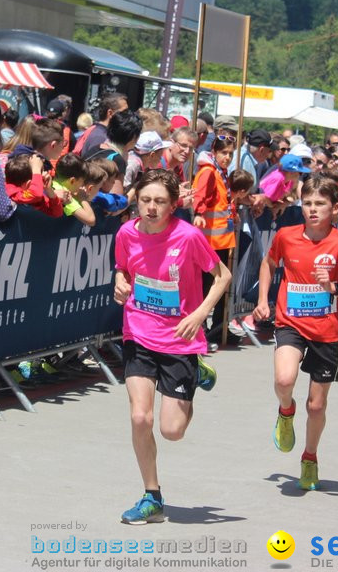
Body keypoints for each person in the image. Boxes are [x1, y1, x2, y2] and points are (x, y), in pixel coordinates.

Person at [114, 168, 231, 524]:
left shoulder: (189, 236)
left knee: (172, 431)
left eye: (159, 202)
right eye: (145, 200)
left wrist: (200, 314)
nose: (150, 208)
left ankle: (196, 371)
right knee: (139, 417)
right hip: (139, 332)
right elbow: (122, 269)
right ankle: (152, 497)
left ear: (173, 205)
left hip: (179, 338)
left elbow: (222, 276)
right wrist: (119, 282)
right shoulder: (125, 233)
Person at [255, 176, 338, 491]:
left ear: (334, 208)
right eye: (307, 203)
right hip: (290, 322)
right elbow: (268, 263)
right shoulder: (286, 236)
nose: (312, 210)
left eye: (320, 204)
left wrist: (333, 287)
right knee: (284, 380)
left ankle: (309, 456)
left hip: (326, 331)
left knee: (316, 406)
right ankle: (285, 410)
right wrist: (263, 300)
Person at [191, 135, 239, 343]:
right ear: (214, 152)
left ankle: (219, 328)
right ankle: (201, 330)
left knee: (219, 286)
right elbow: (198, 196)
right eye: (224, 153)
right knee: (206, 287)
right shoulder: (208, 172)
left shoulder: (222, 172)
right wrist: (199, 212)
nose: (227, 157)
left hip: (221, 239)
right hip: (209, 240)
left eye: (230, 153)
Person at [52, 153, 96, 226]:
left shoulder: (52, 185)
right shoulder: (64, 194)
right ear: (72, 181)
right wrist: (83, 199)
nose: (82, 185)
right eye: (82, 182)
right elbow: (90, 220)